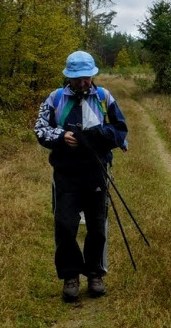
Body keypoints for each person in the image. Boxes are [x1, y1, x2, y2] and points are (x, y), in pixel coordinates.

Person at [35, 51, 128, 303]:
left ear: (92, 75)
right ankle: (70, 276)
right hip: (65, 173)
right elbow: (40, 130)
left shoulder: (104, 97)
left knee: (97, 227)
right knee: (65, 225)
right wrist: (61, 137)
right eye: (77, 78)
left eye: (87, 77)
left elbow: (120, 129)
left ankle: (95, 274)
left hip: (96, 172)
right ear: (68, 76)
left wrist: (100, 134)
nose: (83, 82)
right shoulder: (55, 98)